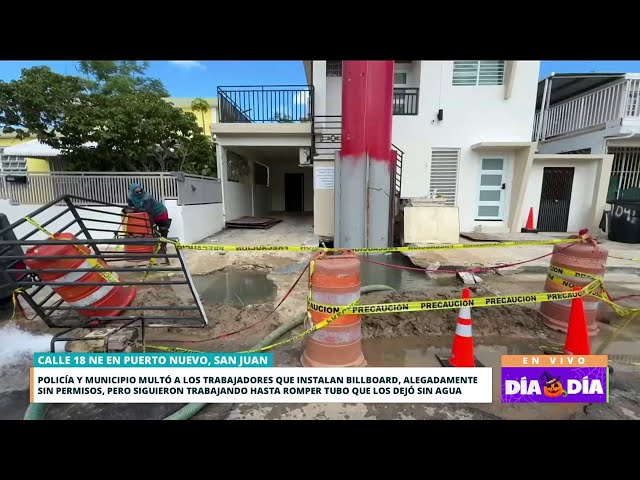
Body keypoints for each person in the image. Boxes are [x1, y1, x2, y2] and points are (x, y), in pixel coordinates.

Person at [123, 182, 172, 262]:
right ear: (132, 191)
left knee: (163, 230)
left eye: (140, 191)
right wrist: (128, 210)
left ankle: (163, 248)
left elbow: (146, 209)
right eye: (137, 192)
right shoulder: (130, 197)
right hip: (148, 215)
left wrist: (132, 210)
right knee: (149, 230)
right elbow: (131, 207)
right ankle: (153, 246)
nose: (139, 193)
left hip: (160, 213)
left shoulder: (147, 196)